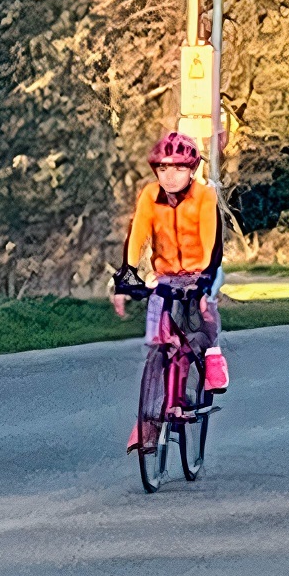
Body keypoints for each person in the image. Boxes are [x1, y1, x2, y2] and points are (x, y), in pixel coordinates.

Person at [112, 132, 230, 449]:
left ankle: (213, 355)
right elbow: (137, 237)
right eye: (163, 169)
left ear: (191, 170)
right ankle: (149, 423)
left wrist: (202, 279)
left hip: (202, 269)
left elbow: (210, 241)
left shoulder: (204, 197)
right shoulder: (150, 196)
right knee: (158, 343)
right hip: (166, 275)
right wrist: (126, 277)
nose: (169, 175)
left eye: (178, 168)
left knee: (203, 310)